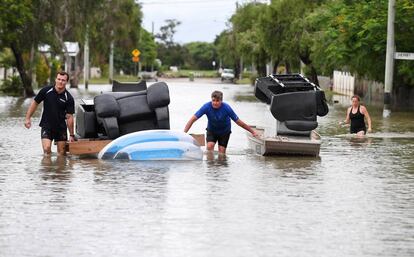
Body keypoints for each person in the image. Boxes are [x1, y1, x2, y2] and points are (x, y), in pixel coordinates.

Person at [184, 90, 258, 154]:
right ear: (211, 100)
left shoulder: (227, 108)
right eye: (213, 100)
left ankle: (221, 168)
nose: (215, 103)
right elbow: (192, 119)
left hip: (225, 132)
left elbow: (239, 122)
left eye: (217, 101)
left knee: (221, 153)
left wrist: (253, 132)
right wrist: (184, 133)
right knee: (210, 146)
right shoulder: (206, 107)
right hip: (212, 130)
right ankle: (210, 168)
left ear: (221, 101)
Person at [24, 71, 75, 155]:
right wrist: (27, 118)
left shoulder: (68, 98)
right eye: (59, 79)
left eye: (63, 80)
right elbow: (35, 103)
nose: (60, 82)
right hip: (46, 126)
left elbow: (69, 117)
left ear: (66, 82)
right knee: (47, 150)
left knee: (61, 154)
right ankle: (48, 167)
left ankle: (60, 167)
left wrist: (72, 135)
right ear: (55, 79)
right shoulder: (46, 91)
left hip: (61, 128)